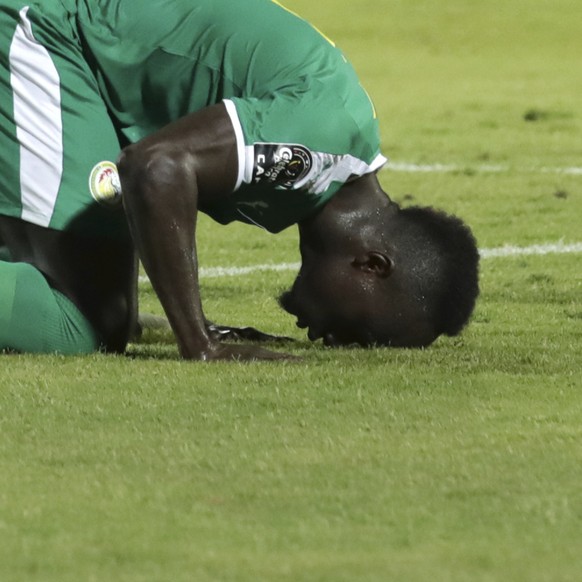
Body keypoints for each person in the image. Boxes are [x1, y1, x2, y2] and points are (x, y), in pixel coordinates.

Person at [0, 0, 479, 360]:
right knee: (78, 327)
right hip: (48, 25)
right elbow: (157, 169)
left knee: (111, 312)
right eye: (359, 331)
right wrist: (199, 341)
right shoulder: (316, 148)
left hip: (85, 50)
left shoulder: (337, 156)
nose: (332, 341)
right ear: (372, 265)